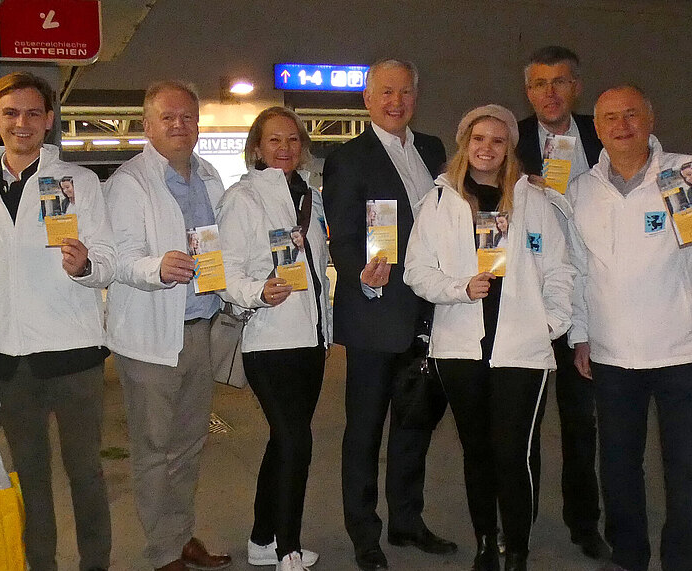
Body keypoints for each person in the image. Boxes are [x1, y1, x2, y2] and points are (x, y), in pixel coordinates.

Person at [566, 85, 692, 571]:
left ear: (650, 119)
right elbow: (580, 268)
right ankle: (629, 556)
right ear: (597, 128)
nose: (620, 125)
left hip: (682, 351)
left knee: (688, 470)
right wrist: (580, 334)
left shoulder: (687, 171)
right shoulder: (583, 189)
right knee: (618, 467)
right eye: (609, 118)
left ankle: (683, 560)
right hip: (611, 354)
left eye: (631, 115)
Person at [406, 105, 574, 571]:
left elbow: (561, 270)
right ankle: (485, 544)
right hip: (460, 348)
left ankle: (516, 548)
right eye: (478, 138)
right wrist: (458, 288)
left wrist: (550, 324)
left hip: (522, 350)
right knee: (477, 452)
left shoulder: (534, 202)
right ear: (465, 143)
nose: (487, 148)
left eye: (498, 140)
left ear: (510, 149)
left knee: (513, 454)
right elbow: (417, 270)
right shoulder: (440, 202)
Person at [0, 71, 115, 571]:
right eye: (10, 113)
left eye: (32, 113)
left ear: (49, 120)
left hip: (74, 354)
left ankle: (96, 564)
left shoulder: (79, 182)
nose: (21, 123)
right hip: (7, 359)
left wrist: (86, 265)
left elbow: (108, 257)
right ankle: (39, 565)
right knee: (31, 476)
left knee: (86, 473)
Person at [321, 58, 454, 571]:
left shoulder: (434, 150)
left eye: (405, 92)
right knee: (365, 429)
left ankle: (407, 520)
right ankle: (364, 533)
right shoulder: (348, 158)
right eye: (385, 92)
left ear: (415, 98)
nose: (396, 101)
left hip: (430, 311)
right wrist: (360, 273)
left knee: (415, 422)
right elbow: (345, 235)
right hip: (377, 312)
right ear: (367, 100)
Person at [104, 80, 232, 571]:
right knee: (154, 449)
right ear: (147, 125)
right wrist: (156, 267)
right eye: (168, 118)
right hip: (150, 338)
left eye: (188, 118)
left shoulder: (208, 176)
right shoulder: (128, 183)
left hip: (198, 328)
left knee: (189, 446)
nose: (180, 126)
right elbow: (116, 260)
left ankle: (180, 536)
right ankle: (161, 553)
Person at [218, 107, 331, 571]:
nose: (284, 149)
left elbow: (318, 270)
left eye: (292, 140)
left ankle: (263, 539)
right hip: (269, 340)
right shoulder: (243, 198)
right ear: (257, 149)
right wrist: (257, 293)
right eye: (274, 141)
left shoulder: (312, 197)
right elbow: (224, 269)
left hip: (312, 339)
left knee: (284, 443)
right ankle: (288, 549)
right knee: (296, 442)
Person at [515, 45, 609, 561]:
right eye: (538, 85)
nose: (549, 93)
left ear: (576, 87)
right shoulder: (511, 141)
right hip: (530, 297)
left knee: (581, 425)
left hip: (590, 299)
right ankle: (519, 520)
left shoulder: (605, 136)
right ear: (528, 92)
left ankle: (584, 522)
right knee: (522, 425)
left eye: (559, 82)